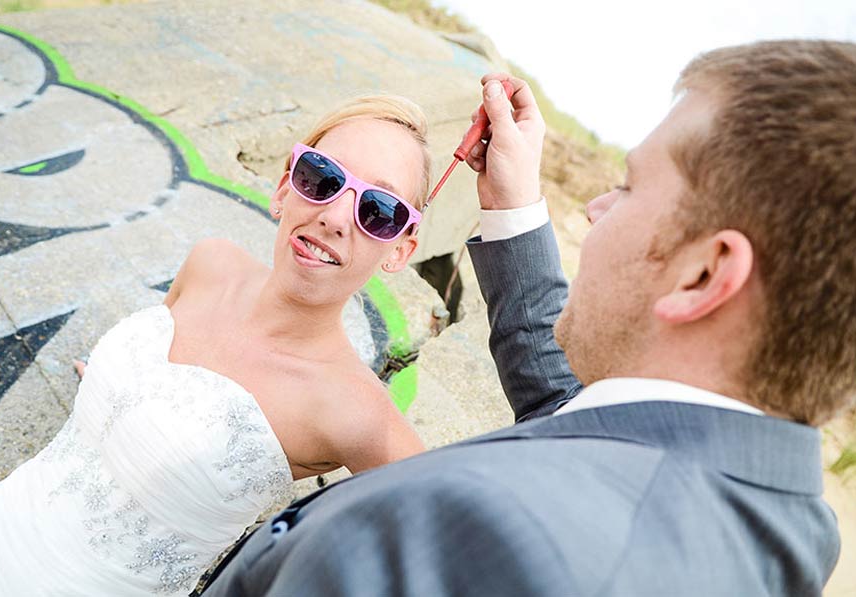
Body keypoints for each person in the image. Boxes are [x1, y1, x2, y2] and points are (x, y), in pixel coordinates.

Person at [201, 40, 855, 596]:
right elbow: (577, 415)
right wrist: (516, 202)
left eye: (626, 187)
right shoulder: (785, 522)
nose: (597, 208)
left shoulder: (486, 540)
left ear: (704, 275)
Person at [0, 95, 431, 595]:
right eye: (322, 177)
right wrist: (120, 395)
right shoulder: (211, 263)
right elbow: (168, 385)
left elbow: (456, 549)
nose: (335, 216)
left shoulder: (356, 415)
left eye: (378, 211)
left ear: (400, 250)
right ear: (283, 187)